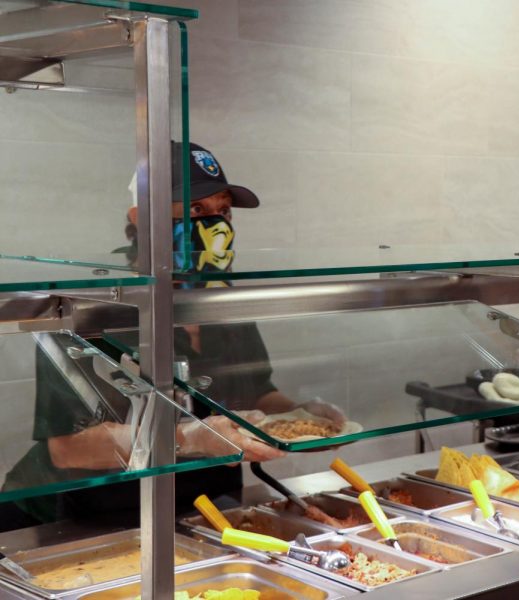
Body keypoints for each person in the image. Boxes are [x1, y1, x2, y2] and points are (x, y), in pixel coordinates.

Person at [0, 142, 343, 529]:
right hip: (85, 517)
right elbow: (65, 449)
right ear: (141, 219)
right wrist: (190, 439)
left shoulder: (221, 301)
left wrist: (301, 417)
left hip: (203, 505)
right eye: (196, 210)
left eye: (223, 210)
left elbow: (254, 391)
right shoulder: (91, 309)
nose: (216, 226)